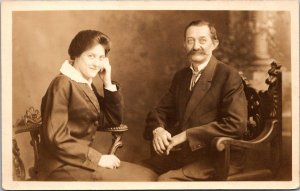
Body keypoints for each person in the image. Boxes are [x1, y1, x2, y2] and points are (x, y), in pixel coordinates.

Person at [37, 30, 157, 181]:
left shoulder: (83, 83)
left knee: (148, 175)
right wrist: (98, 158)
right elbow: (56, 138)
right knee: (141, 180)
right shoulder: (62, 83)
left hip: (78, 161)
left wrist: (107, 82)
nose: (96, 63)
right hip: (60, 166)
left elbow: (112, 120)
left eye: (101, 58)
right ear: (76, 55)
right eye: (91, 56)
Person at [143, 20, 247, 181]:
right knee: (140, 172)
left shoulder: (228, 76)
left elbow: (236, 125)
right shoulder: (181, 76)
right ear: (184, 44)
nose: (196, 46)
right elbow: (159, 111)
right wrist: (158, 130)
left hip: (217, 157)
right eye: (190, 40)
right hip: (185, 154)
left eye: (202, 40)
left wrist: (186, 135)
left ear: (214, 44)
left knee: (165, 181)